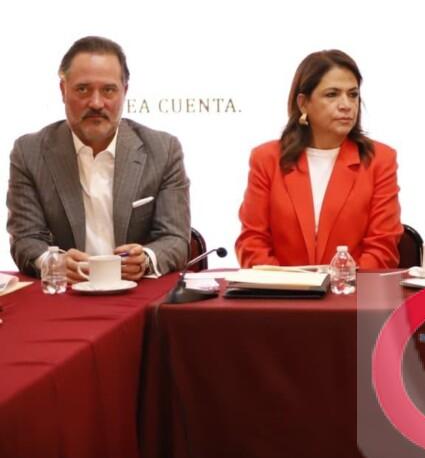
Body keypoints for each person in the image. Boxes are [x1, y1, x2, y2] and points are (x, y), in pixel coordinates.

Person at [7, 36, 191, 280]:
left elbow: (175, 239)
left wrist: (146, 258)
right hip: (68, 292)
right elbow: (25, 239)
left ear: (124, 92)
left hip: (136, 291)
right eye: (83, 89)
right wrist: (54, 263)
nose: (96, 103)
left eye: (108, 90)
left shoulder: (163, 150)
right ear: (63, 90)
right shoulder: (29, 152)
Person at [236, 50, 402, 269]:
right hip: (280, 289)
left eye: (353, 94)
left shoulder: (379, 160)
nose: (346, 105)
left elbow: (382, 249)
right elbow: (252, 243)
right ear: (303, 103)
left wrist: (341, 283)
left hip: (352, 288)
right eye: (332, 94)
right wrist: (286, 285)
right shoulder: (266, 159)